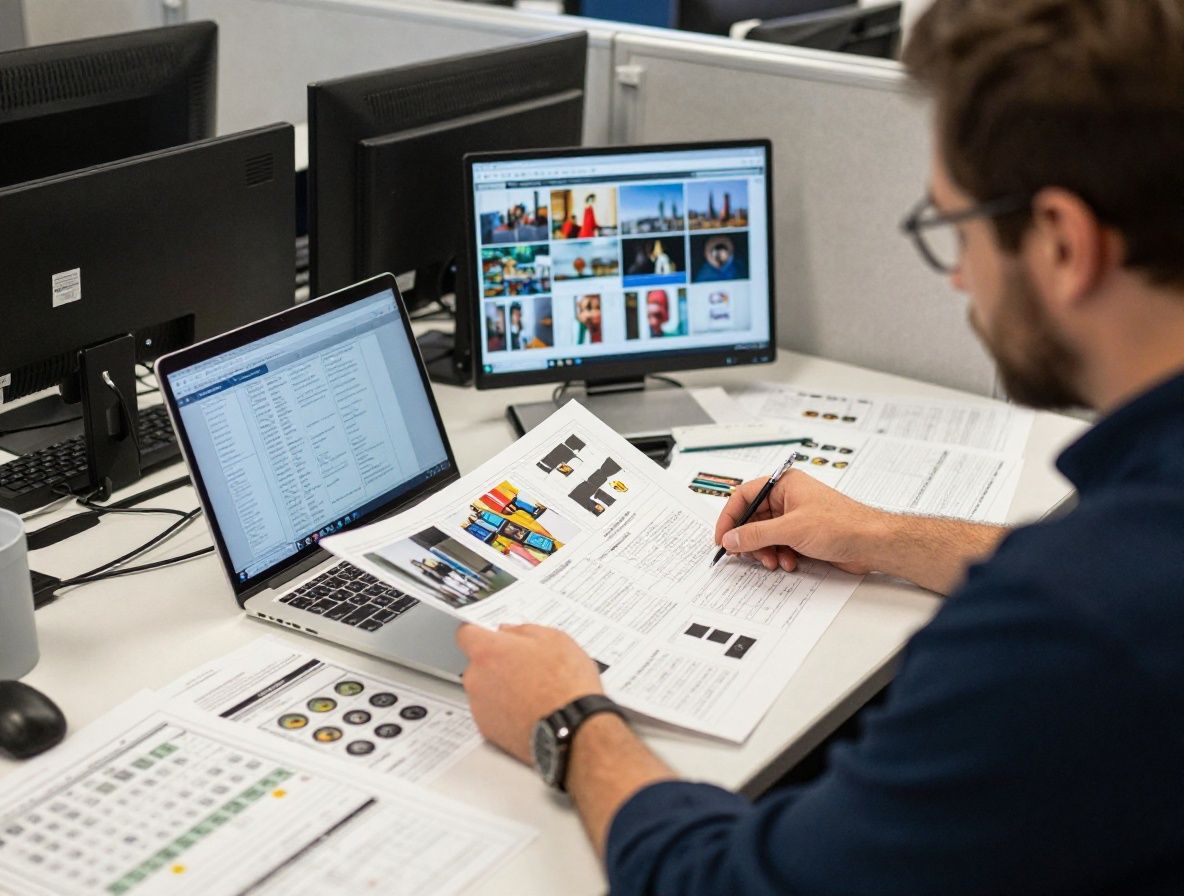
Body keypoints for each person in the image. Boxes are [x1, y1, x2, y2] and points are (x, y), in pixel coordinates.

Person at [456, 0, 1184, 892]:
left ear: (1066, 245)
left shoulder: (1066, 629)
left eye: (953, 228)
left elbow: (735, 884)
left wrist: (569, 722)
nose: (958, 273)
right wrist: (886, 537)